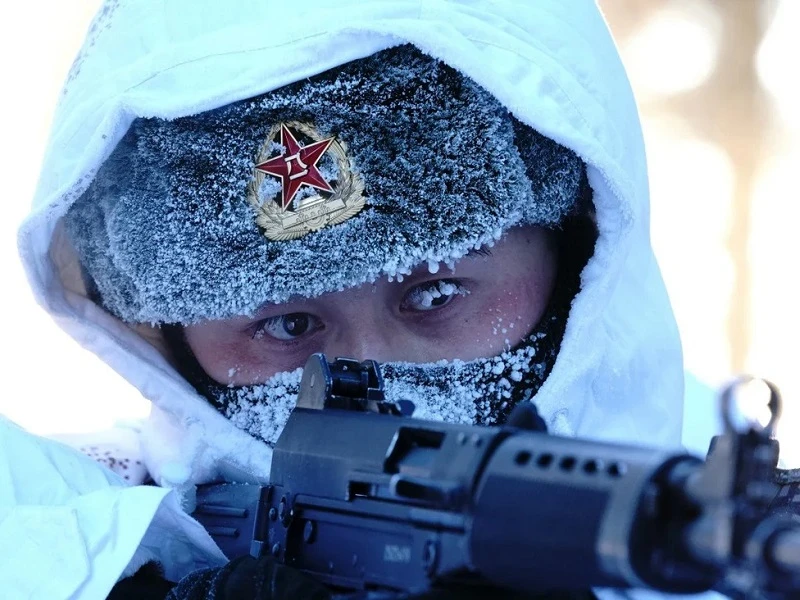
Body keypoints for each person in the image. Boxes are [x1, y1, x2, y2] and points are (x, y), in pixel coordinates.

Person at [5, 1, 734, 599]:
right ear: (164, 339)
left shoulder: (719, 533)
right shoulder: (77, 537)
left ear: (576, 258)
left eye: (436, 292)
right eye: (287, 322)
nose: (367, 370)